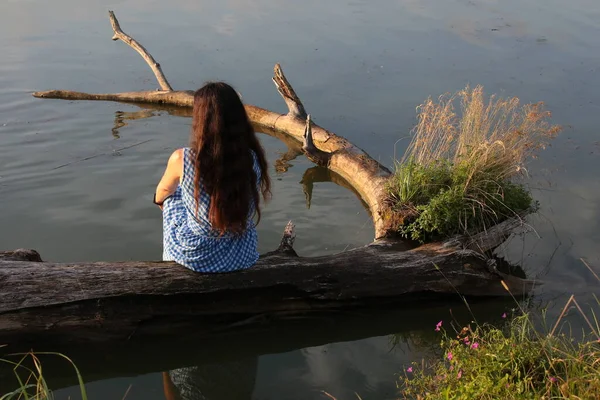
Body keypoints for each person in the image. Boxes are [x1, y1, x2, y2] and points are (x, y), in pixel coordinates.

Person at [154, 82, 271, 272]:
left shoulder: (183, 158)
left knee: (172, 196)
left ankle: (172, 259)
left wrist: (169, 204)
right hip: (241, 255)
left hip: (195, 256)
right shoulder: (252, 157)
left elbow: (161, 194)